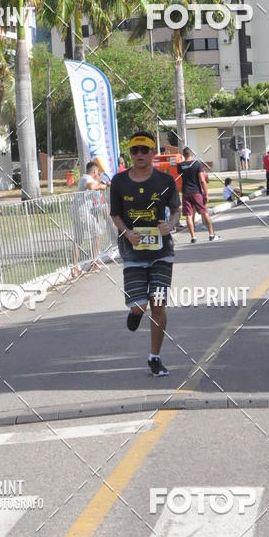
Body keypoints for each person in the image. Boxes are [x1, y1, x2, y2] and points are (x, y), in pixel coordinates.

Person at [110, 131, 181, 378]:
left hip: (162, 252)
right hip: (132, 252)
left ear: (153, 153)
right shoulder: (119, 182)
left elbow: (176, 210)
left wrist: (170, 226)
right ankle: (135, 312)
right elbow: (115, 215)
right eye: (134, 151)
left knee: (158, 304)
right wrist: (127, 232)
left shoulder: (165, 181)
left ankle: (155, 357)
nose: (139, 155)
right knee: (141, 304)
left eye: (144, 150)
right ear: (130, 153)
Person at [72, 161, 109, 277]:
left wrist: (104, 183)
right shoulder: (86, 178)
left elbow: (96, 183)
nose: (98, 174)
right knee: (97, 233)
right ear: (94, 172)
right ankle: (93, 261)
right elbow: (92, 186)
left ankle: (75, 268)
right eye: (97, 172)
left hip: (77, 211)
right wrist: (102, 186)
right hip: (81, 211)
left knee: (78, 239)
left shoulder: (88, 177)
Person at [178, 147, 220, 244]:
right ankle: (211, 235)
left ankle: (193, 237)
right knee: (204, 213)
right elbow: (202, 180)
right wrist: (206, 194)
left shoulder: (180, 165)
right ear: (192, 154)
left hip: (186, 193)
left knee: (188, 215)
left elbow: (181, 176)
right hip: (196, 192)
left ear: (184, 155)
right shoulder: (197, 164)